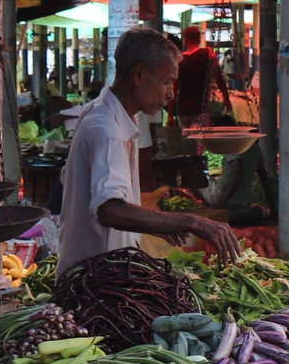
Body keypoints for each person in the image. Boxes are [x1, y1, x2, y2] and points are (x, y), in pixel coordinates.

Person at [55, 27, 240, 279]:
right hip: (92, 281)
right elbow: (109, 209)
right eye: (166, 82)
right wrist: (192, 221)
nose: (171, 93)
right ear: (139, 74)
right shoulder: (106, 129)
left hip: (101, 274)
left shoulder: (104, 113)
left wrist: (155, 224)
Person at [170, 26, 231, 128]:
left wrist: (170, 116)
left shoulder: (180, 60)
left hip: (182, 110)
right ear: (199, 39)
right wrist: (226, 99)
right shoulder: (207, 54)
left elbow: (174, 89)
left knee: (187, 137)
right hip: (199, 109)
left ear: (185, 40)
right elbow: (219, 78)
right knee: (200, 137)